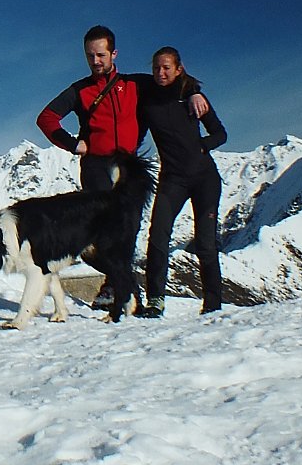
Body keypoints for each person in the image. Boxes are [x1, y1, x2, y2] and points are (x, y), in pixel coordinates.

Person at [36, 26, 207, 310]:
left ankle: (116, 288)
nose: (95, 61)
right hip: (96, 168)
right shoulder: (79, 90)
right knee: (97, 236)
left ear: (114, 53)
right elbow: (47, 118)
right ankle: (122, 282)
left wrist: (194, 94)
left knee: (128, 231)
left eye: (101, 54)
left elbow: (171, 81)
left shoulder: (135, 84)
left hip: (129, 170)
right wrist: (72, 144)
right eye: (90, 56)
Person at [136, 46, 228, 317]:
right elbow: (139, 134)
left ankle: (212, 304)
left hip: (204, 178)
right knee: (158, 235)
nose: (160, 73)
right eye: (156, 68)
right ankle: (155, 300)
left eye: (166, 67)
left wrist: (201, 146)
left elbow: (220, 133)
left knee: (205, 242)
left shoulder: (192, 96)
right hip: (172, 178)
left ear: (178, 69)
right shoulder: (148, 101)